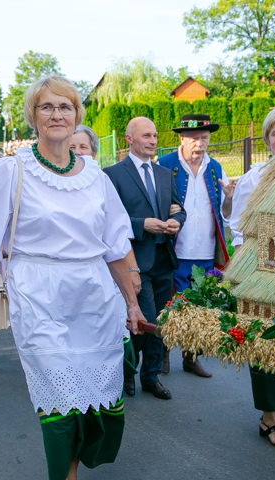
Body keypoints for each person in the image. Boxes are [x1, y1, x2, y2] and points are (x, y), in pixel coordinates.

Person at [0, 76, 143, 480]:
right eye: (47, 107)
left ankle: (74, 476)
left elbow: (117, 246)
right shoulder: (11, 171)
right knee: (58, 400)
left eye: (66, 106)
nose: (57, 114)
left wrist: (132, 303)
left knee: (95, 405)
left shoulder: (95, 176)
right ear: (32, 115)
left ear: (78, 115)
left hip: (95, 297)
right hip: (37, 294)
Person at [226, 106, 275, 449]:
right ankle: (269, 415)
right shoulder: (254, 177)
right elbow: (239, 229)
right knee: (264, 341)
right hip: (263, 271)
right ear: (267, 141)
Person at [104, 117, 186, 400]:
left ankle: (151, 377)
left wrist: (176, 220)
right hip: (133, 261)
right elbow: (109, 219)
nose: (153, 141)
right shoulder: (113, 174)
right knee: (142, 321)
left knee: (160, 322)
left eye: (154, 135)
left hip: (164, 258)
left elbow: (179, 208)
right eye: (146, 136)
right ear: (129, 139)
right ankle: (128, 373)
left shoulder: (164, 174)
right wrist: (141, 225)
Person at [158, 113, 235, 378]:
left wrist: (229, 198)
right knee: (170, 306)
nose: (199, 144)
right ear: (182, 138)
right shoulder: (165, 164)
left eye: (204, 138)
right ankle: (164, 355)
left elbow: (225, 213)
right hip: (174, 250)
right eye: (193, 139)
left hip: (205, 250)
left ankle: (191, 357)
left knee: (200, 308)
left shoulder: (215, 167)